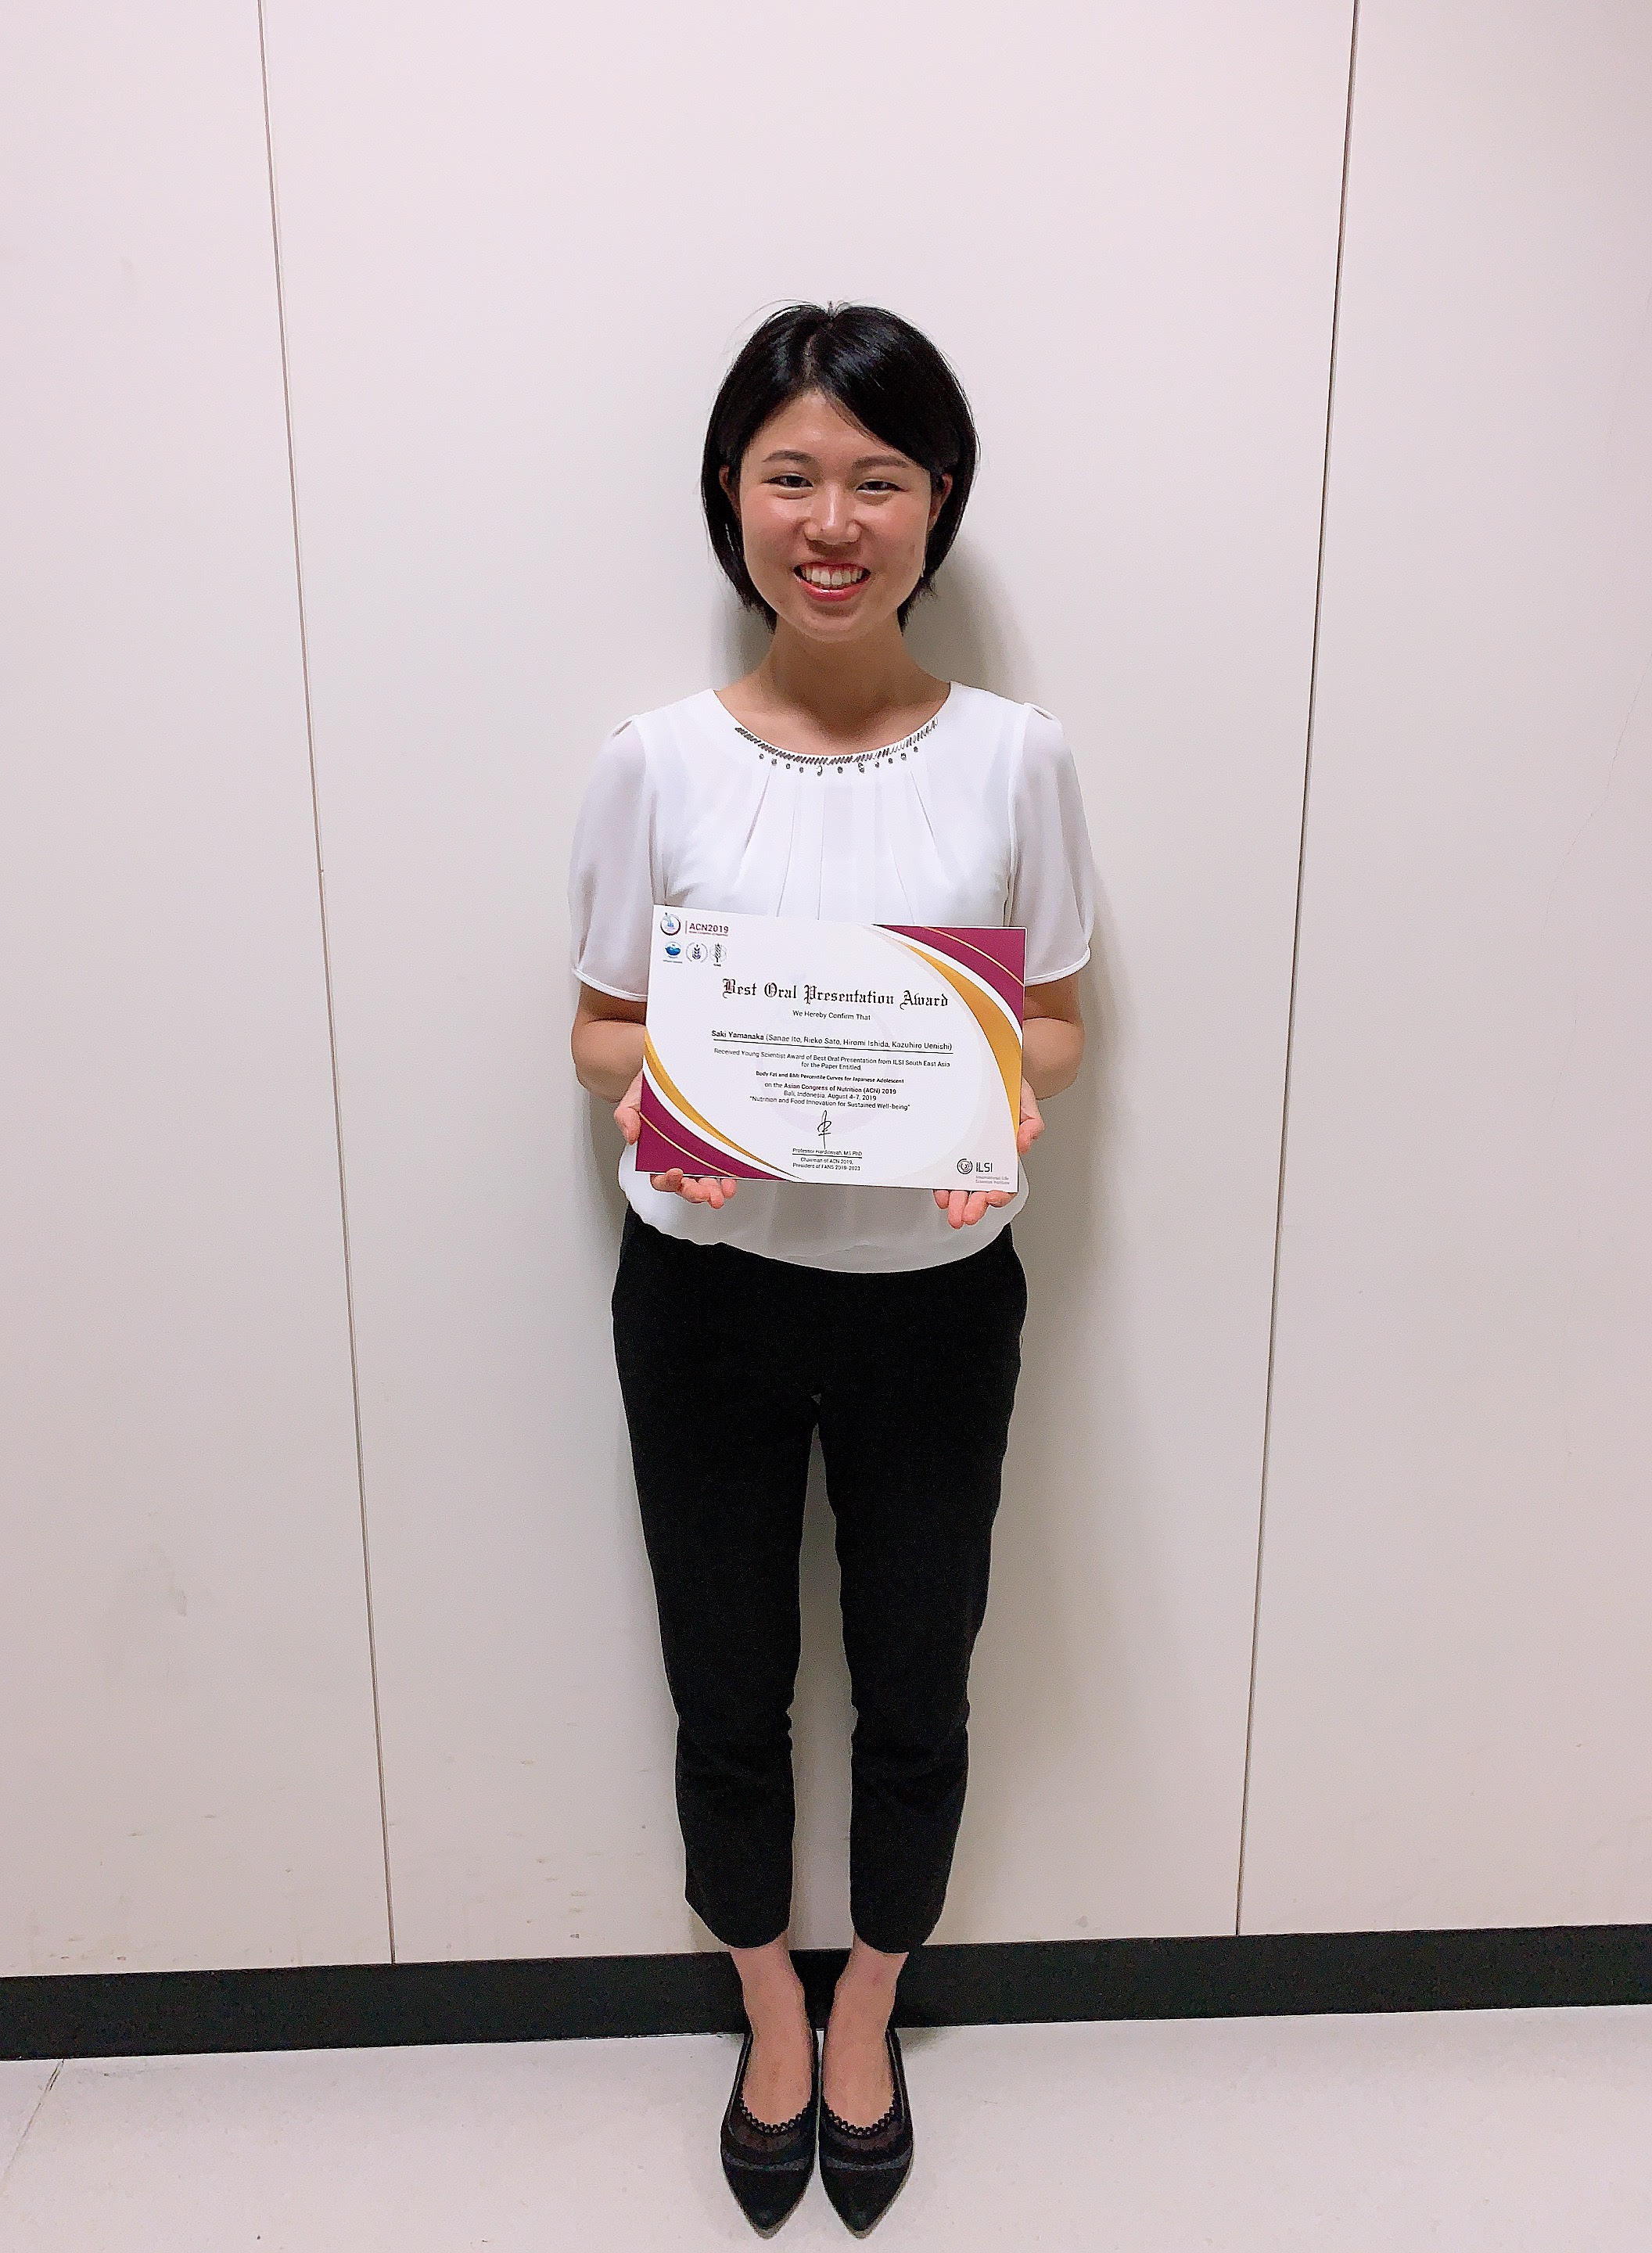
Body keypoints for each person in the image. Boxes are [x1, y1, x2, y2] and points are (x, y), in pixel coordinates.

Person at [567, 303, 1094, 2234]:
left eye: (877, 479)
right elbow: (601, 1032)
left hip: (935, 1306)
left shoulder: (1019, 759)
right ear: (733, 497)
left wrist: (994, 1102)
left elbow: (1057, 1024)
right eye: (791, 476)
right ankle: (765, 2006)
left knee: (917, 1677)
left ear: (937, 500)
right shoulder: (654, 763)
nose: (833, 521)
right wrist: (686, 1092)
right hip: (706, 1291)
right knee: (725, 1682)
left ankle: (869, 1997)